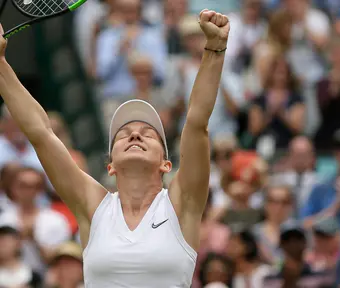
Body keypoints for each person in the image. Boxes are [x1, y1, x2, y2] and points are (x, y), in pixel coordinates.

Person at [0, 8, 230, 288]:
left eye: (148, 134)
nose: (135, 135)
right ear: (110, 165)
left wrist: (215, 49)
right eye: (123, 134)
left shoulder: (181, 204)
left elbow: (196, 123)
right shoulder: (94, 206)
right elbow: (41, 133)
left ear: (165, 164)